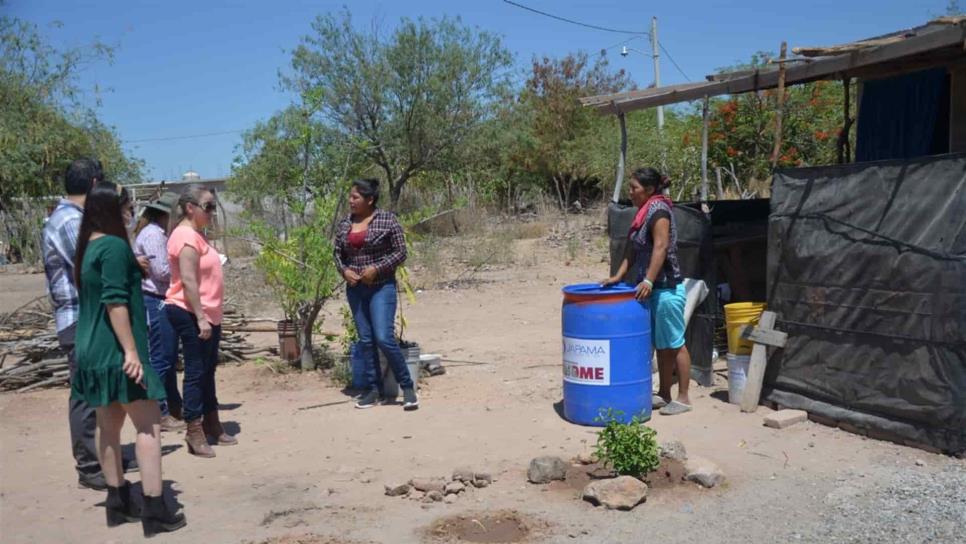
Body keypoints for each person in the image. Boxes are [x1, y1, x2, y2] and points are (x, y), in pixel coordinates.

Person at [71, 181, 186, 536]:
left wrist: (130, 265)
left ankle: (118, 502)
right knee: (148, 426)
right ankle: (155, 510)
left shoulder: (88, 247)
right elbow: (115, 301)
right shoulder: (114, 247)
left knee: (109, 425)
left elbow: (101, 285)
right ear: (114, 208)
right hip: (117, 350)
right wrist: (132, 352)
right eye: (126, 204)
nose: (130, 210)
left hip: (90, 349)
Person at [603, 167, 693, 416]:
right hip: (652, 290)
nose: (630, 192)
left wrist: (649, 280)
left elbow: (661, 246)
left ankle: (683, 397)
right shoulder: (641, 214)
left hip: (666, 288)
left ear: (650, 190)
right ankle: (664, 394)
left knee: (674, 344)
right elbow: (632, 249)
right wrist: (618, 276)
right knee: (661, 345)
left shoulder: (659, 211)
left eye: (634, 187)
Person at [40, 158, 105, 490]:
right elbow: (90, 269)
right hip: (79, 320)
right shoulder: (68, 221)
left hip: (86, 319)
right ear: (94, 184)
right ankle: (90, 467)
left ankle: (101, 458)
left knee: (96, 390)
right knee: (84, 393)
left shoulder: (75, 219)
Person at [333, 178, 418, 410]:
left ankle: (408, 387)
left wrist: (377, 268)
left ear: (370, 200)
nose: (350, 201)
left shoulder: (387, 220)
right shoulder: (344, 224)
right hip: (356, 289)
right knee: (366, 340)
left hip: (381, 287)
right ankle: (373, 390)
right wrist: (345, 271)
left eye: (355, 197)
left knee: (383, 337)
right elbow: (337, 254)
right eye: (350, 197)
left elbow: (401, 252)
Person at [163, 185, 235, 457]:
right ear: (190, 207)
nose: (212, 212)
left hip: (206, 312)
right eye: (208, 206)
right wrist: (201, 317)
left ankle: (212, 423)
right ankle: (194, 430)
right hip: (190, 311)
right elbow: (189, 281)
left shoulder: (196, 235)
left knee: (207, 370)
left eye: (214, 206)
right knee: (196, 370)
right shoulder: (184, 236)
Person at [134, 191, 184, 432]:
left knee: (168, 354)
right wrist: (186, 269)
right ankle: (161, 410)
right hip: (155, 299)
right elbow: (162, 271)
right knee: (161, 356)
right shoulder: (154, 235)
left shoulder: (156, 233)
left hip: (160, 299)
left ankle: (173, 405)